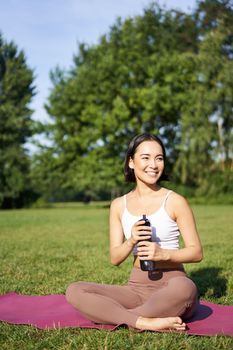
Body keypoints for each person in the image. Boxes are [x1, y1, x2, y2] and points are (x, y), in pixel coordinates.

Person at [66, 133, 203, 331]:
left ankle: (119, 316)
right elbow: (115, 258)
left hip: (172, 284)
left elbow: (196, 252)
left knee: (187, 288)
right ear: (131, 162)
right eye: (145, 157)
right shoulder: (119, 205)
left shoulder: (175, 201)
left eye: (159, 158)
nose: (153, 165)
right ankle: (145, 321)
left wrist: (163, 254)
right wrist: (131, 241)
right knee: (75, 290)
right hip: (136, 288)